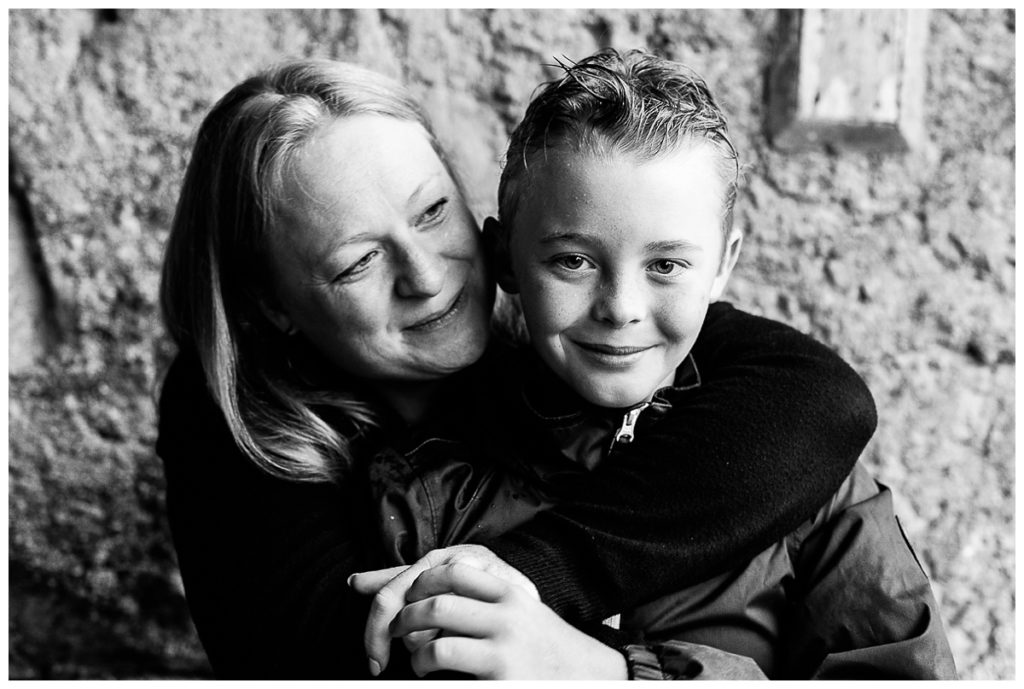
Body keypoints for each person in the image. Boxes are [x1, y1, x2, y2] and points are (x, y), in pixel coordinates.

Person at [156, 57, 878, 679]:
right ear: (269, 305)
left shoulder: (602, 346)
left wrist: (543, 593)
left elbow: (821, 397)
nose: (428, 275)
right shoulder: (243, 428)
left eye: (434, 211)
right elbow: (330, 656)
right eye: (360, 261)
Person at [352, 48, 957, 679]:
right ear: (504, 258)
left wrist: (618, 675)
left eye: (666, 265)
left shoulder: (812, 477)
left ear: (723, 265)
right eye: (572, 262)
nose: (621, 309)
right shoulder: (425, 488)